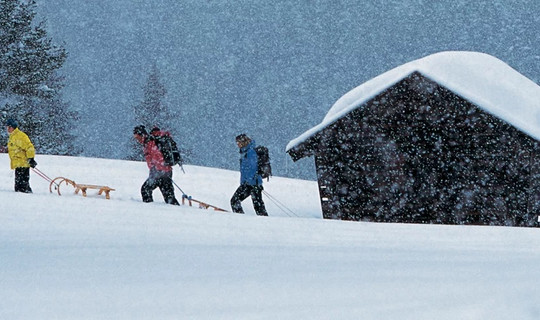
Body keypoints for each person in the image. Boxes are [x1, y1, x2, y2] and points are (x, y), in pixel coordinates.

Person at [133, 125, 179, 205]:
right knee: (169, 196)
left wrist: (156, 170)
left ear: (142, 135)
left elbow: (158, 157)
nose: (137, 140)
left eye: (138, 137)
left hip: (161, 173)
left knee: (145, 189)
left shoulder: (151, 143)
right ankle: (176, 211)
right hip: (165, 172)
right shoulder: (148, 143)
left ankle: (150, 209)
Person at [230, 134, 268, 216]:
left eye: (238, 143)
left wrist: (250, 183)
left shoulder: (251, 152)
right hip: (249, 183)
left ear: (244, 142)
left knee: (235, 201)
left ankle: (242, 218)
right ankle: (242, 218)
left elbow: (253, 168)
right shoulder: (244, 152)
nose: (237, 145)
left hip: (253, 184)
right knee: (258, 206)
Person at [6, 119, 37, 193]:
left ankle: (27, 199)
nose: (8, 129)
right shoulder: (12, 136)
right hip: (18, 164)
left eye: (9, 127)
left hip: (23, 163)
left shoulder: (20, 136)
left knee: (22, 187)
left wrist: (31, 158)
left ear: (13, 127)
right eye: (7, 127)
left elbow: (29, 147)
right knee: (18, 187)